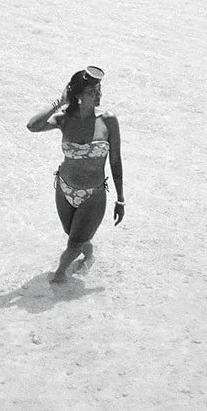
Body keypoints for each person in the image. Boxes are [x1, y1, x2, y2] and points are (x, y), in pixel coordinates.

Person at [26, 65, 124, 282]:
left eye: (99, 89)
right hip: (64, 190)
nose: (98, 95)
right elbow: (32, 126)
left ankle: (58, 277)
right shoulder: (64, 119)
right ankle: (89, 256)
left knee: (73, 245)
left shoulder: (108, 121)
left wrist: (121, 200)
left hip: (93, 195)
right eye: (92, 92)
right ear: (78, 95)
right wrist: (59, 103)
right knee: (75, 236)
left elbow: (116, 161)